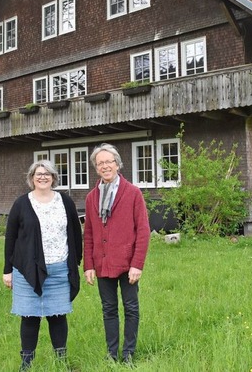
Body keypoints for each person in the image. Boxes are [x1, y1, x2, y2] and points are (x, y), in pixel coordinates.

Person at [3, 160, 83, 371]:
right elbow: (10, 238)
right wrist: (7, 270)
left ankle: (60, 361)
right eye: (38, 174)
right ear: (31, 178)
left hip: (59, 269)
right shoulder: (21, 203)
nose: (43, 177)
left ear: (54, 178)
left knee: (57, 316)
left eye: (47, 174)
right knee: (30, 317)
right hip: (27, 270)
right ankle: (26, 363)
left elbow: (75, 232)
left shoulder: (65, 202)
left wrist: (75, 263)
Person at [83, 143, 151, 364]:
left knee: (131, 308)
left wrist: (137, 264)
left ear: (117, 164)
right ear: (96, 167)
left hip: (127, 263)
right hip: (102, 264)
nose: (105, 166)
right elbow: (90, 234)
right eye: (100, 163)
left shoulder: (132, 193)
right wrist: (88, 265)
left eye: (108, 162)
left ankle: (128, 354)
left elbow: (143, 231)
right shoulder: (92, 197)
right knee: (108, 309)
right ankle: (112, 355)